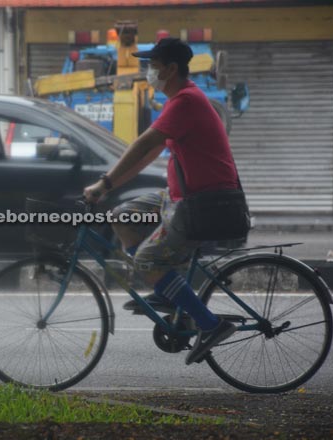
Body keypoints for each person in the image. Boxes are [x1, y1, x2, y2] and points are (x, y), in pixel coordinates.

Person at [83, 38, 238, 365]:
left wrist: (104, 182)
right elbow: (149, 153)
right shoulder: (180, 101)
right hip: (180, 197)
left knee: (147, 261)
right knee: (122, 216)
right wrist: (110, 188)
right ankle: (171, 290)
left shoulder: (186, 101)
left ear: (170, 69)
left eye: (153, 65)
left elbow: (144, 143)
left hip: (202, 203)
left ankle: (211, 325)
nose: (148, 71)